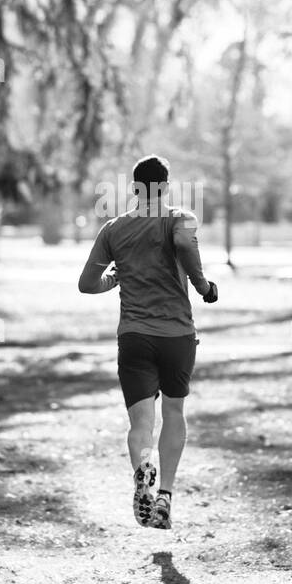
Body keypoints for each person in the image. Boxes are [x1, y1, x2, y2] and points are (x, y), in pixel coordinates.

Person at [78, 155, 218, 530]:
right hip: (176, 335)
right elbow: (185, 246)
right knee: (174, 412)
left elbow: (87, 284)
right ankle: (166, 495)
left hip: (134, 337)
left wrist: (116, 278)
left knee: (141, 422)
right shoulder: (180, 217)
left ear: (135, 189)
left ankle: (144, 468)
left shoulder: (113, 229)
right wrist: (204, 288)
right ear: (167, 186)